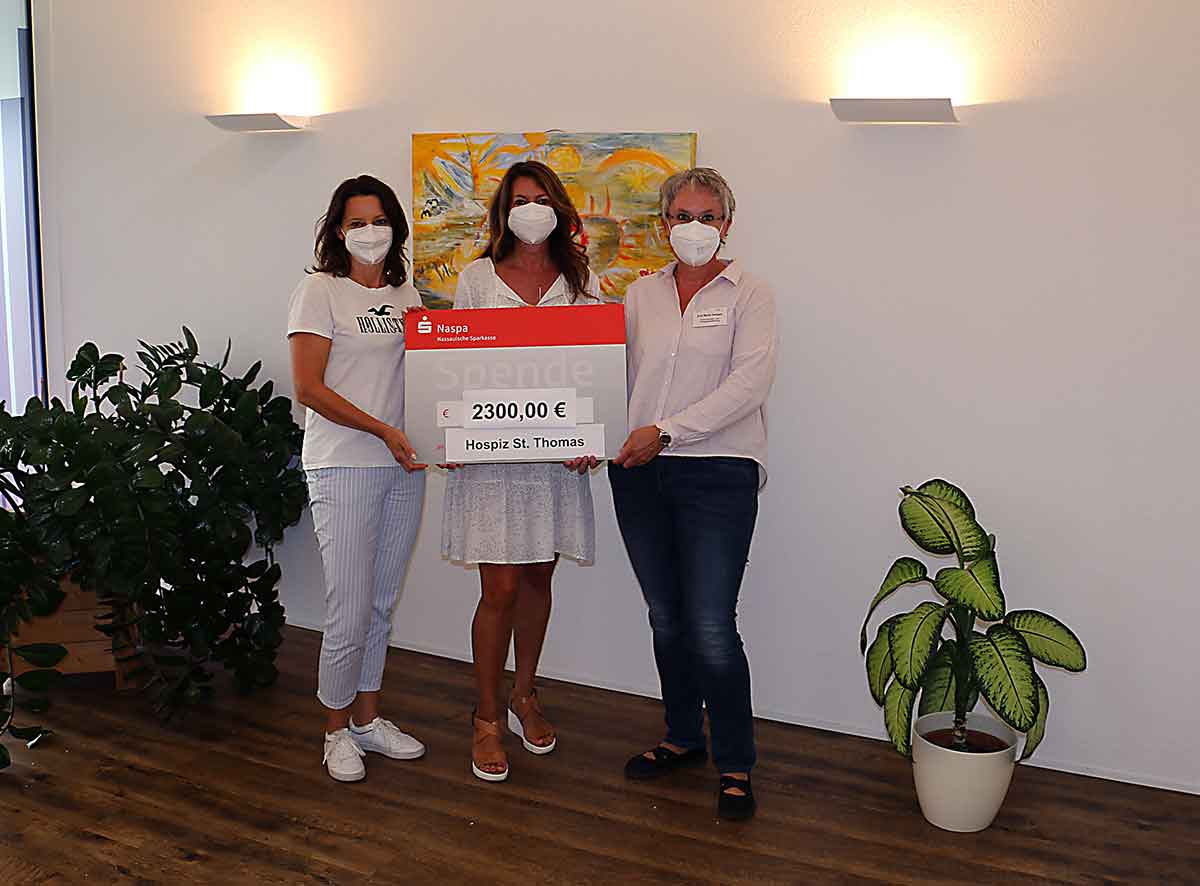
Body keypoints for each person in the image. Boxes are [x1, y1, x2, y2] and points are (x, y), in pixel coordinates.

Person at [609, 167, 777, 821]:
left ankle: (734, 762)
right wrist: (590, 434)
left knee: (711, 626)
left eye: (709, 216)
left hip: (718, 472)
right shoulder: (638, 295)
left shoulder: (752, 293)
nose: (695, 227)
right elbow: (614, 379)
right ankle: (682, 737)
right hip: (641, 474)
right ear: (662, 226)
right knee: (666, 618)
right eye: (682, 215)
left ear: (729, 224)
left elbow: (749, 385)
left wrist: (668, 432)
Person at [442, 161, 601, 783]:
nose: (531, 208)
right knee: (498, 589)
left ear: (559, 208)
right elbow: (453, 367)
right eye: (519, 199)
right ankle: (486, 716)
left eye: (542, 198)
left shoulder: (581, 279)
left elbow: (593, 370)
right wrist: (450, 428)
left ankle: (524, 695)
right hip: (489, 463)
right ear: (502, 211)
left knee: (538, 577)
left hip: (556, 462)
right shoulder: (477, 279)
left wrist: (590, 435)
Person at [287, 174, 428, 783]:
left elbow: (430, 383)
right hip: (344, 463)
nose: (370, 232)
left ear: (396, 226)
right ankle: (334, 729)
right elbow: (309, 388)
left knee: (379, 603)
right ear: (338, 231)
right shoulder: (319, 292)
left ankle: (368, 720)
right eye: (356, 222)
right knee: (347, 608)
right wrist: (383, 430)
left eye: (379, 220)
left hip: (403, 467)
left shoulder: (408, 298)